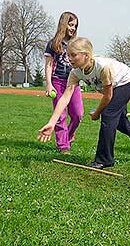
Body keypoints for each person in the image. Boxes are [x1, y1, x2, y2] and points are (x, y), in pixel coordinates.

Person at [38, 37, 130, 169]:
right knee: (119, 122)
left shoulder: (102, 67)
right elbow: (65, 98)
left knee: (108, 115)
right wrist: (51, 123)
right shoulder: (75, 73)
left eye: (73, 55)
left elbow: (108, 96)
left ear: (86, 55)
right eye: (68, 55)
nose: (69, 59)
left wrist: (97, 113)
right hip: (114, 88)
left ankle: (104, 160)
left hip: (125, 82)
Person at [44, 12, 84, 154]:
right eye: (71, 24)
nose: (73, 28)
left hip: (73, 82)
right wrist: (49, 84)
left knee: (78, 114)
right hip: (58, 81)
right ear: (63, 24)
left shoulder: (75, 44)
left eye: (75, 26)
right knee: (60, 115)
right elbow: (48, 65)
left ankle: (69, 137)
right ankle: (63, 146)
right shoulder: (53, 44)